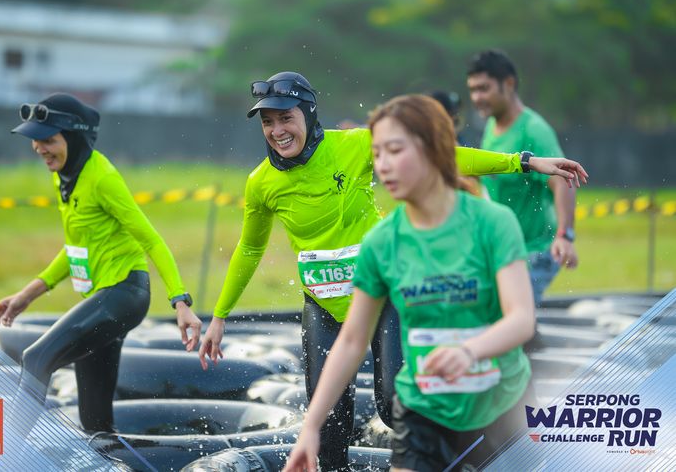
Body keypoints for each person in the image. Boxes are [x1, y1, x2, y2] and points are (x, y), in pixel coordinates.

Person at [197, 71, 586, 470]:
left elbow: (444, 155)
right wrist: (220, 316)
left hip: (387, 299)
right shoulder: (263, 185)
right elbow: (250, 248)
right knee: (328, 425)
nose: (277, 131)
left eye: (286, 118)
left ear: (309, 114)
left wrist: (524, 161)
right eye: (268, 122)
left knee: (393, 402)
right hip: (324, 303)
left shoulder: (358, 149)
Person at [283, 94, 539, 472]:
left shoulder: (492, 223)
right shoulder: (382, 242)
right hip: (422, 411)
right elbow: (351, 341)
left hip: (499, 409)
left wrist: (468, 352)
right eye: (377, 153)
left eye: (395, 151)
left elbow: (521, 320)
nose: (383, 165)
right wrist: (311, 428)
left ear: (433, 150)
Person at [0, 93, 202, 433]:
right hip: (103, 298)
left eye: (48, 140)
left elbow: (152, 240)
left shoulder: (102, 179)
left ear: (74, 139)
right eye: (35, 140)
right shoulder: (64, 174)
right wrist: (26, 296)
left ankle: (4, 455)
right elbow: (76, 248)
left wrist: (181, 302)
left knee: (36, 358)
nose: (39, 148)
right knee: (94, 419)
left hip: (123, 293)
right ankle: (107, 452)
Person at [467, 49, 579, 307]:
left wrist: (565, 235)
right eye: (472, 90)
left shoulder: (533, 130)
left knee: (516, 315)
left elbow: (563, 180)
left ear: (509, 83)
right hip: (506, 249)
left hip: (535, 250)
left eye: (484, 88)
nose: (477, 98)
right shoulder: (493, 127)